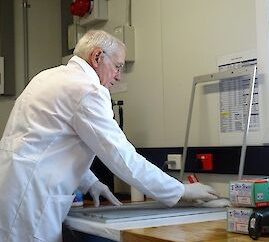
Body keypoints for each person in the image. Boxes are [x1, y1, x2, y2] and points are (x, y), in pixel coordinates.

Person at [0, 30, 228, 242]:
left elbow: (49, 145)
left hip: (13, 187)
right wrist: (180, 190)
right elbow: (122, 156)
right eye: (118, 66)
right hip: (31, 199)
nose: (118, 76)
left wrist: (90, 182)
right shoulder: (88, 89)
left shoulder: (48, 77)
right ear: (97, 56)